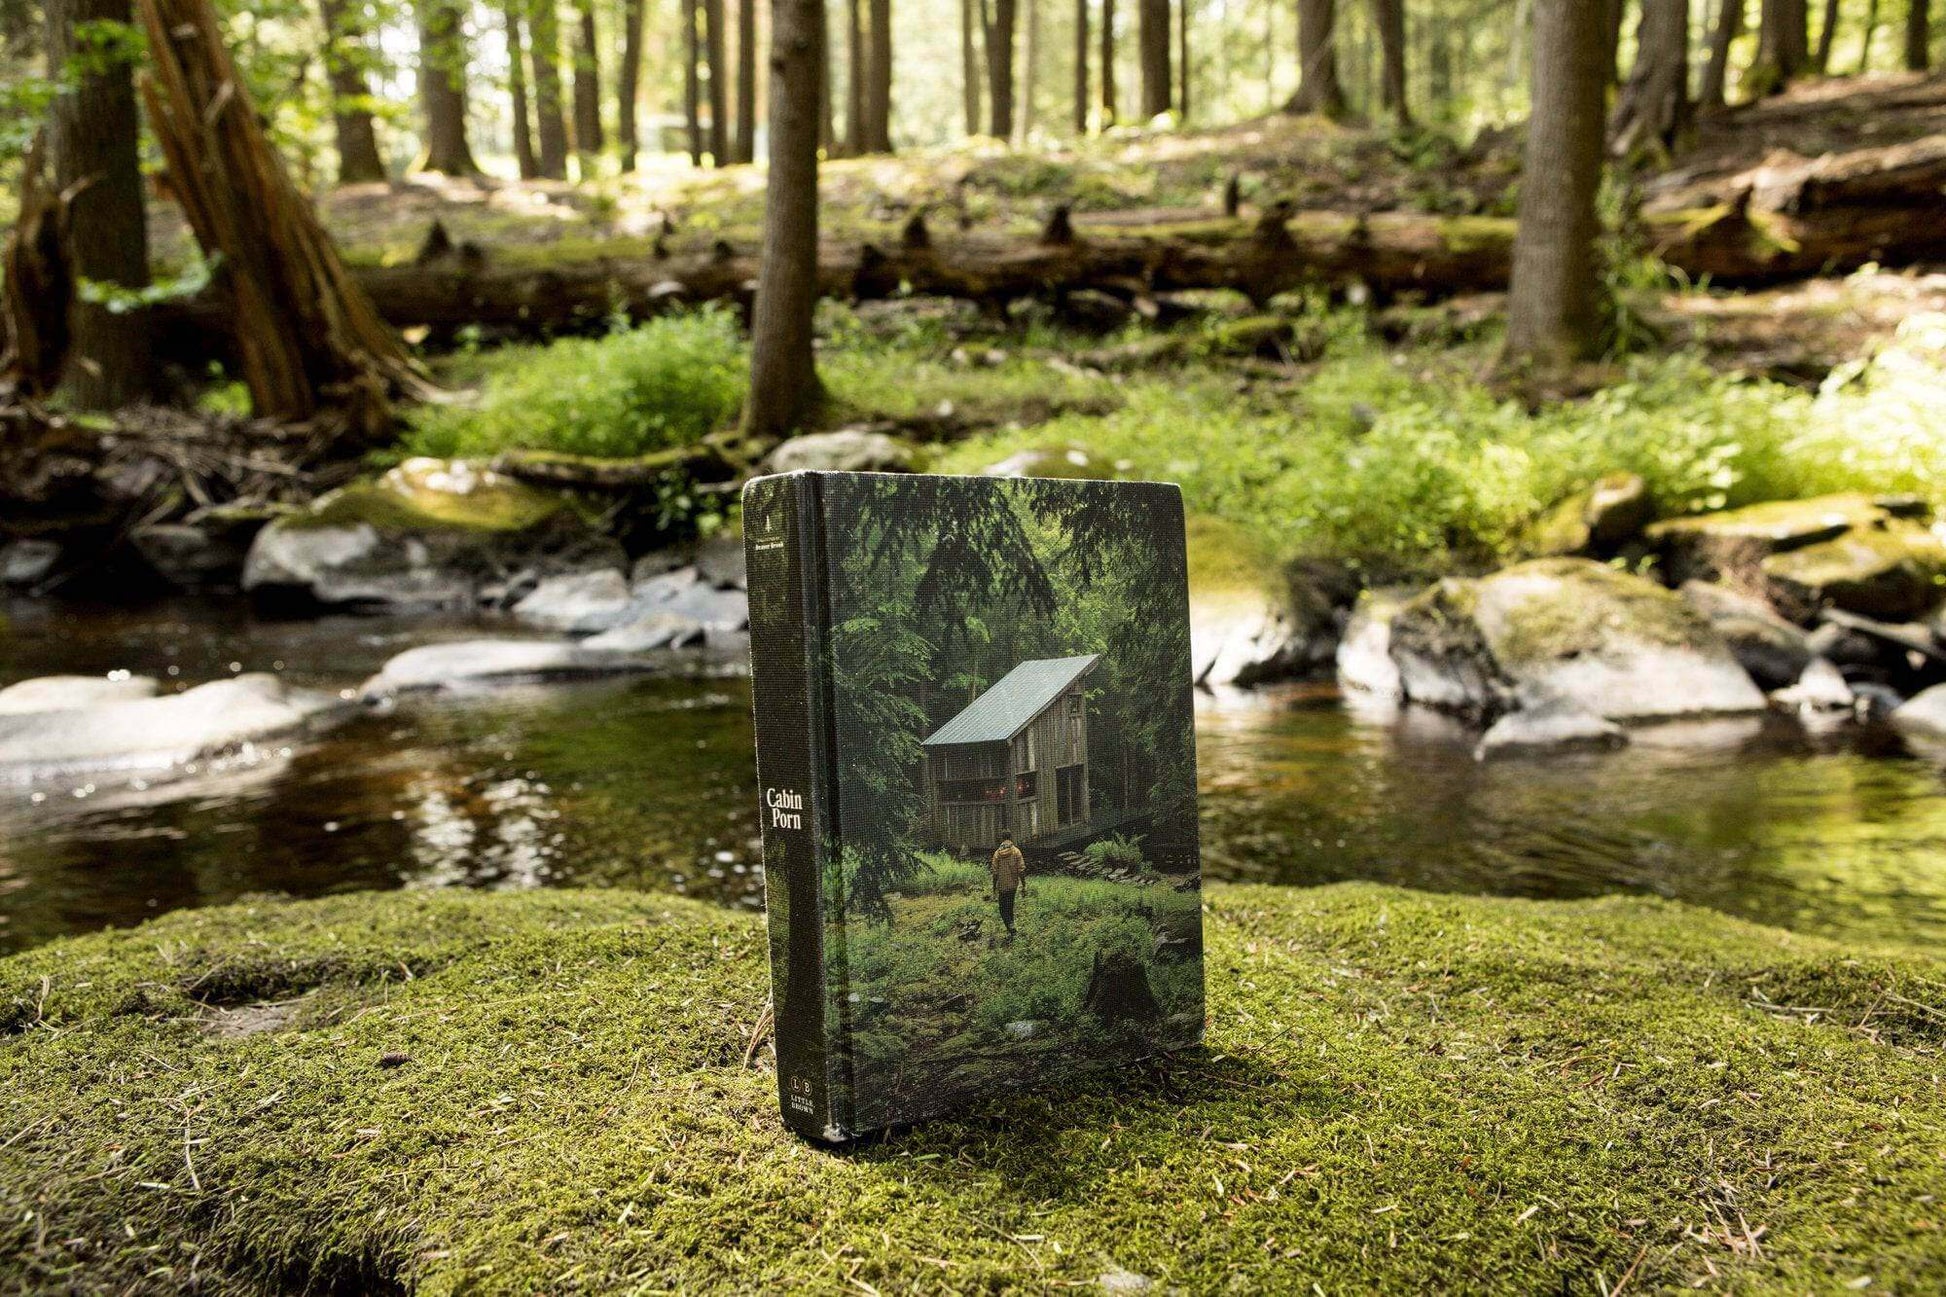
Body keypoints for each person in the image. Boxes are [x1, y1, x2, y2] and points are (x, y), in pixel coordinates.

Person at [990, 833, 1027, 937]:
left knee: (1002, 909)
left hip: (1002, 885)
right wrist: (1024, 884)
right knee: (1010, 907)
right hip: (1013, 885)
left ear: (1002, 839)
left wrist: (994, 887)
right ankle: (1012, 928)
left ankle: (1011, 929)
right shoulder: (1016, 851)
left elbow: (995, 873)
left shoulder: (997, 853)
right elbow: (1021, 870)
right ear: (1011, 838)